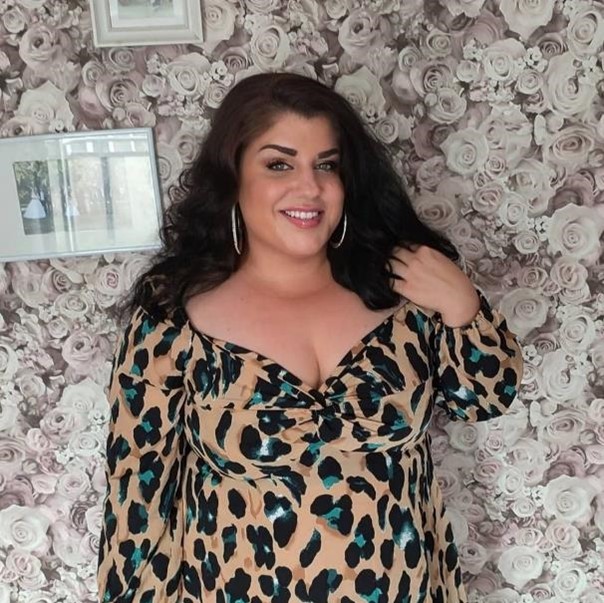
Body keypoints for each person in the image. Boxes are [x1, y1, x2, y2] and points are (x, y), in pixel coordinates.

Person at [97, 72, 523, 603]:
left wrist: (462, 306)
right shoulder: (172, 317)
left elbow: (483, 400)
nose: (310, 187)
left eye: (326, 165)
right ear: (233, 177)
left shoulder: (403, 291)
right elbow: (137, 501)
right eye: (279, 164)